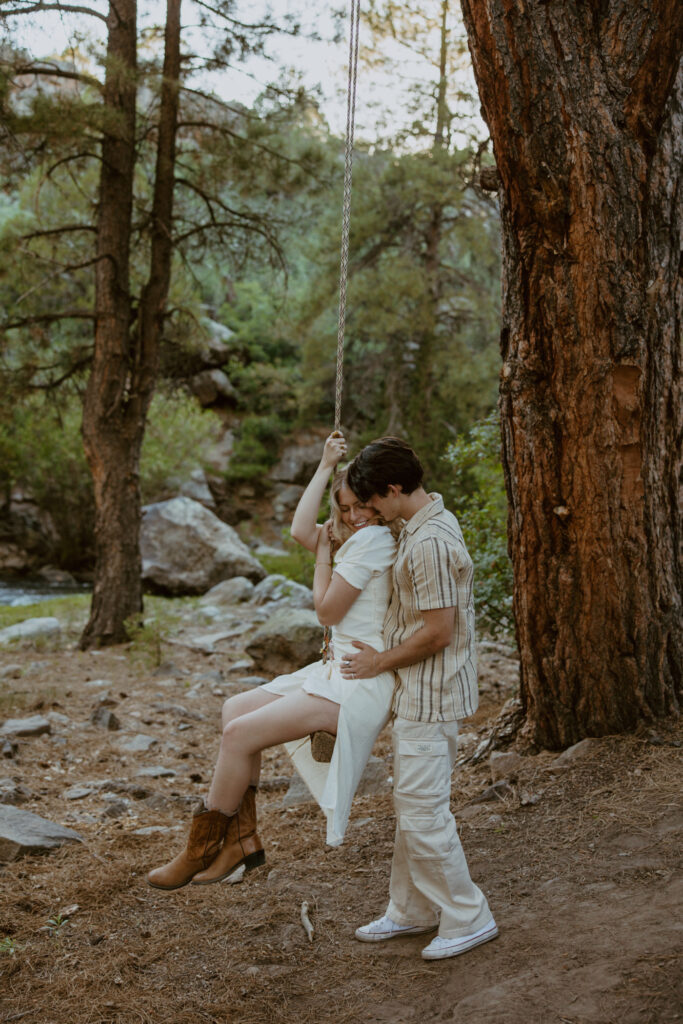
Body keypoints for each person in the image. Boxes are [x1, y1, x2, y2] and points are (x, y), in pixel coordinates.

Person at [147, 432, 398, 891]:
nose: (354, 516)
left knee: (239, 734)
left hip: (357, 683)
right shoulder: (358, 537)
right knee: (234, 710)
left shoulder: (373, 541)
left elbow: (325, 611)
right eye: (344, 508)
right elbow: (301, 531)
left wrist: (324, 555)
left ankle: (200, 849)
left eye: (361, 505)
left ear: (378, 503)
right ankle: (242, 840)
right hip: (334, 670)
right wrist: (325, 466)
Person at [342, 436, 498, 961]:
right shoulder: (421, 525)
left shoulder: (429, 543)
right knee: (413, 809)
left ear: (394, 488)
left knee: (425, 813)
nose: (371, 512)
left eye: (374, 502)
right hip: (418, 695)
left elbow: (438, 632)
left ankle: (468, 915)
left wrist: (376, 662)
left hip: (430, 698)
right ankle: (411, 910)